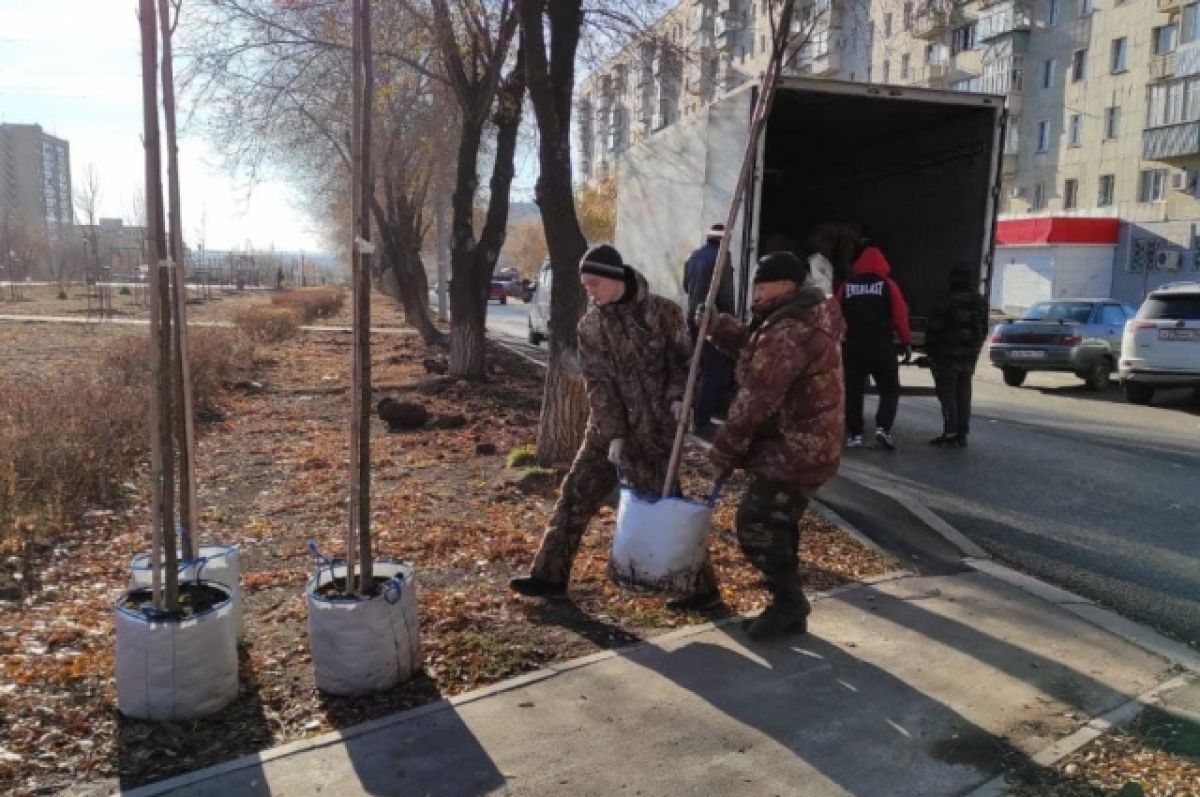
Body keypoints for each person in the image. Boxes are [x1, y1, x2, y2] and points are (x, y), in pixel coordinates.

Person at [510, 244, 722, 611]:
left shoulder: (662, 313)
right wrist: (614, 435)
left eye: (593, 283)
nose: (589, 291)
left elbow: (685, 363)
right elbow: (598, 384)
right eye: (585, 285)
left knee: (664, 503)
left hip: (656, 431)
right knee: (575, 493)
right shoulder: (591, 325)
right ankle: (548, 576)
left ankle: (700, 587)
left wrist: (678, 397)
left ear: (613, 279)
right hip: (606, 429)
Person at [704, 252, 846, 639]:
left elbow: (757, 398)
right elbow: (756, 348)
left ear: (786, 286)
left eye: (762, 285)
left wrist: (723, 450)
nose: (756, 292)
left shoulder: (789, 330)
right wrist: (718, 327)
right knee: (778, 522)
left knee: (755, 522)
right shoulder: (796, 318)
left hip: (798, 447)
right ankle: (790, 607)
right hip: (809, 444)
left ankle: (788, 603)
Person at [835, 246, 912, 451]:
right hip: (882, 347)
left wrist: (835, 339)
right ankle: (883, 429)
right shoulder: (888, 285)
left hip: (853, 347)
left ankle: (855, 434)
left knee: (853, 391)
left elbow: (834, 312)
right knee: (889, 390)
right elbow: (899, 316)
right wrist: (906, 341)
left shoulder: (847, 286)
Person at [924, 265, 989, 448]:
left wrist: (931, 351)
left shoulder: (946, 300)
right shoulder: (979, 301)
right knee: (963, 394)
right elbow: (983, 329)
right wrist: (975, 348)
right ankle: (962, 433)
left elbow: (934, 329)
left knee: (948, 395)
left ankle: (950, 431)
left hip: (947, 356)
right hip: (968, 356)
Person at [683, 223, 736, 436]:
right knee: (714, 371)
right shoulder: (723, 256)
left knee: (697, 368)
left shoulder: (694, 256)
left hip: (693, 317)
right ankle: (702, 421)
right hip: (713, 320)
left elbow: (686, 286)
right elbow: (726, 293)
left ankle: (691, 416)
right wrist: (730, 321)